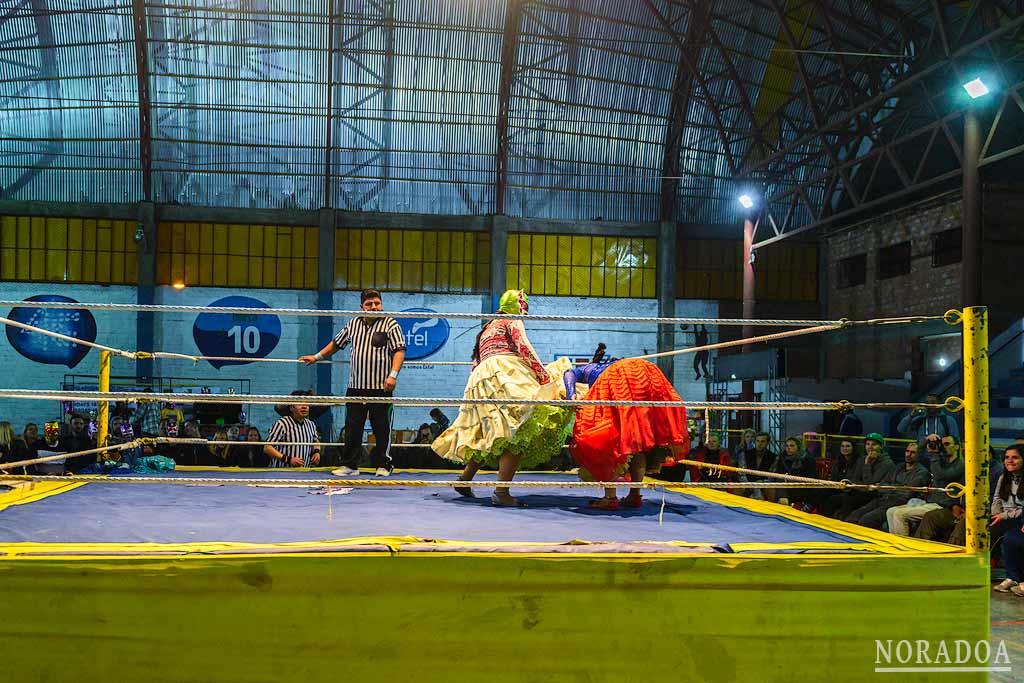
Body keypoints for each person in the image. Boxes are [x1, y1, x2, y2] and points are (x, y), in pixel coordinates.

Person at [432, 290, 572, 506]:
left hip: (481, 380)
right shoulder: (510, 319)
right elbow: (523, 347)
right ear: (517, 305)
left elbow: (476, 363)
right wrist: (544, 377)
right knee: (518, 429)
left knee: (490, 433)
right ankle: (501, 492)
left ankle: (464, 479)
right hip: (505, 373)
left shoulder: (487, 327)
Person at [567, 343, 689, 509]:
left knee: (604, 443)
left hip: (619, 381)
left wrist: (570, 395)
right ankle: (635, 494)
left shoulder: (590, 369)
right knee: (637, 444)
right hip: (645, 374)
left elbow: (569, 373)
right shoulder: (613, 364)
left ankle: (610, 498)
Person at [303, 288, 405, 477]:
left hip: (381, 387)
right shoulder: (353, 324)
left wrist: (393, 375)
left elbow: (399, 350)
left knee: (382, 427)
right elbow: (336, 343)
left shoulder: (390, 324)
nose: (374, 307)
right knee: (352, 428)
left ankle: (384, 464)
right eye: (369, 304)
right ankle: (350, 465)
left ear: (381, 304)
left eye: (377, 303)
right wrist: (317, 357)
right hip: (356, 386)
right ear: (362, 307)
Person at [887, 435, 964, 537]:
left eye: (947, 444)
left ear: (957, 447)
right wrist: (926, 440)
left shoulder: (960, 464)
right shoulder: (940, 460)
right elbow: (917, 457)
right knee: (891, 511)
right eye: (942, 444)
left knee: (899, 514)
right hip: (931, 503)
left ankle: (904, 548)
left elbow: (940, 475)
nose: (943, 447)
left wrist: (934, 455)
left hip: (944, 505)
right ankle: (895, 544)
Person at [845, 441, 930, 529]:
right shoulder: (899, 467)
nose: (908, 454)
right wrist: (895, 487)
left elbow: (907, 494)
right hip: (884, 498)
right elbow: (881, 486)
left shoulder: (922, 473)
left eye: (912, 452)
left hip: (899, 503)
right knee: (854, 516)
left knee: (867, 519)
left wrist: (889, 487)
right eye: (907, 451)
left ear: (920, 455)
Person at [824, 433, 894, 519]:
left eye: (874, 444)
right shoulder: (862, 459)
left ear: (881, 447)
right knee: (831, 498)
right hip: (859, 491)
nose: (870, 447)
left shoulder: (886, 463)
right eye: (867, 444)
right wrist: (860, 485)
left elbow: (869, 484)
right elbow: (854, 479)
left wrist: (867, 464)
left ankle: (844, 526)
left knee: (848, 499)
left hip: (874, 495)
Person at [991, 445, 1024, 593]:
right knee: (979, 528)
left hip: (1019, 518)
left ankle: (1016, 577)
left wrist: (1003, 516)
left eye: (1015, 457)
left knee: (1012, 539)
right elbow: (997, 498)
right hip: (1004, 517)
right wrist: (995, 514)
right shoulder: (1003, 477)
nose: (1010, 460)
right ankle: (1012, 577)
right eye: (1007, 457)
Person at [264, 390, 322, 468]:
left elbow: (316, 441)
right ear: (291, 407)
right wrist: (288, 459)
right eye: (300, 403)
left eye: (306, 403)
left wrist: (316, 452)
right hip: (282, 474)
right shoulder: (282, 424)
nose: (304, 406)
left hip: (304, 473)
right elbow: (267, 448)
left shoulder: (311, 424)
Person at [774, 437, 817, 509]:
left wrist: (794, 479)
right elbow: (778, 473)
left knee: (782, 495)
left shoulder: (807, 459)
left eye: (792, 446)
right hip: (786, 485)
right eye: (787, 446)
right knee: (772, 488)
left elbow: (811, 477)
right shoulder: (782, 457)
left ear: (798, 447)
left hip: (802, 487)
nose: (789, 448)